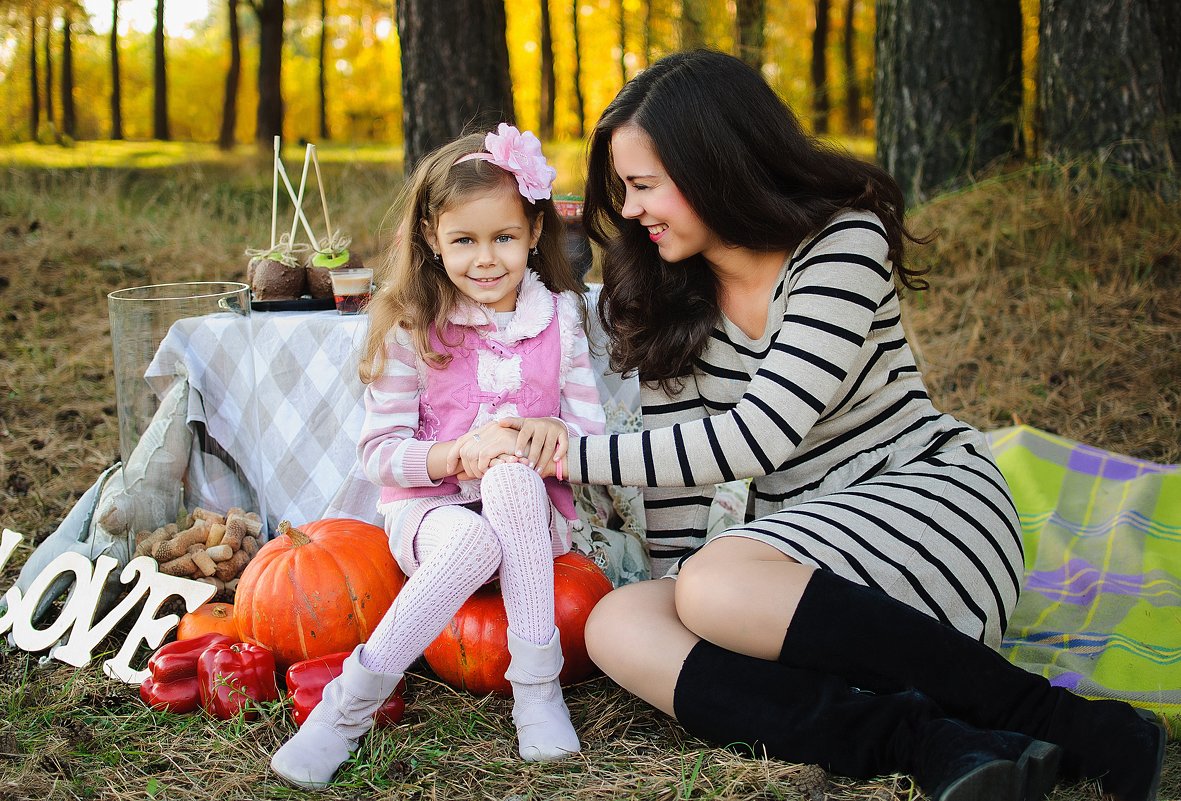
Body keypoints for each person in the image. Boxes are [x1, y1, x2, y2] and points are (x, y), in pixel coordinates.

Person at [489, 51, 1165, 801]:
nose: (634, 209)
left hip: (926, 509)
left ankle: (1076, 725)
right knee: (619, 622)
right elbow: (683, 494)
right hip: (798, 573)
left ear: (714, 164)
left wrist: (568, 455)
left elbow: (757, 436)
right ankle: (936, 744)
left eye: (645, 185)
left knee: (711, 587)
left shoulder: (841, 243)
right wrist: (685, 602)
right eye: (624, 189)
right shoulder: (668, 286)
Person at [269, 123, 605, 790]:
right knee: (472, 537)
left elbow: (592, 442)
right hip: (431, 517)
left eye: (504, 237)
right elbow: (380, 454)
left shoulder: (559, 319)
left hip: (535, 521)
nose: (486, 258)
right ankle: (346, 710)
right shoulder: (412, 325)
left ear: (535, 232)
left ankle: (537, 687)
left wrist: (550, 434)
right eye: (464, 240)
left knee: (511, 473)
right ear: (430, 238)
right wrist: (457, 452)